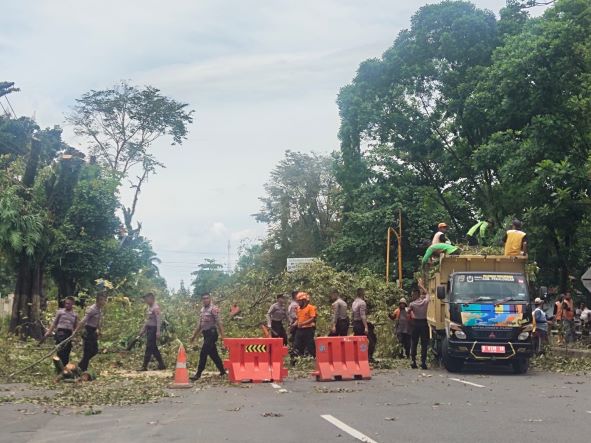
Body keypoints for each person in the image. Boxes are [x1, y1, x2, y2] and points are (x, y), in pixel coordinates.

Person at [190, 293, 226, 380]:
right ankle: (222, 371)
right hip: (206, 334)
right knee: (213, 354)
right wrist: (193, 336)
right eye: (203, 298)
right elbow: (200, 325)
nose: (205, 300)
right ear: (202, 300)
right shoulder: (202, 310)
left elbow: (219, 323)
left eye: (207, 298)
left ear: (210, 299)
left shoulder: (213, 309)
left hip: (212, 333)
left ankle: (198, 373)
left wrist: (223, 337)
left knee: (203, 352)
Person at [75, 292, 107, 372]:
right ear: (98, 300)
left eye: (105, 300)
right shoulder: (92, 309)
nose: (104, 302)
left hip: (93, 331)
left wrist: (99, 330)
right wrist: (76, 331)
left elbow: (98, 321)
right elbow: (83, 321)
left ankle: (80, 365)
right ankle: (82, 369)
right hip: (88, 330)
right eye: (103, 300)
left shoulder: (100, 309)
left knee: (95, 351)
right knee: (87, 352)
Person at [43, 296, 78, 365]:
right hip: (60, 333)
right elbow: (54, 323)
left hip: (69, 334)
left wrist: (75, 337)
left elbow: (75, 327)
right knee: (61, 350)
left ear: (73, 304)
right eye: (66, 303)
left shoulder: (75, 315)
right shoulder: (60, 312)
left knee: (67, 351)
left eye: (69, 304)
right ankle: (58, 366)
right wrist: (49, 332)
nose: (67, 305)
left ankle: (65, 367)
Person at [138, 292, 166, 371]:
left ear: (151, 299)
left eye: (147, 299)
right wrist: (143, 330)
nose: (146, 301)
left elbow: (158, 320)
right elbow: (147, 320)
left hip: (153, 329)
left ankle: (144, 366)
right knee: (153, 348)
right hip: (149, 329)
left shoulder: (155, 307)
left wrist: (158, 331)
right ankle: (161, 364)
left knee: (149, 347)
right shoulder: (149, 308)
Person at [409, 279, 430, 369]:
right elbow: (428, 294)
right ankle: (423, 362)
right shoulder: (425, 302)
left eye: (412, 294)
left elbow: (408, 312)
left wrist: (412, 314)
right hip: (424, 323)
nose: (412, 296)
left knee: (414, 342)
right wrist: (421, 286)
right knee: (424, 343)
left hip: (415, 323)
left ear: (416, 295)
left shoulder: (412, 304)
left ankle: (413, 361)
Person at [293, 292, 317, 358]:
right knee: (296, 345)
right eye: (297, 301)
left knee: (310, 346)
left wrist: (303, 323)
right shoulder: (298, 309)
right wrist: (294, 324)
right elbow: (298, 319)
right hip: (299, 330)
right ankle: (296, 360)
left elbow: (312, 318)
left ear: (304, 300)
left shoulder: (311, 308)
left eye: (299, 301)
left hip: (308, 330)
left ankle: (313, 358)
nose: (298, 303)